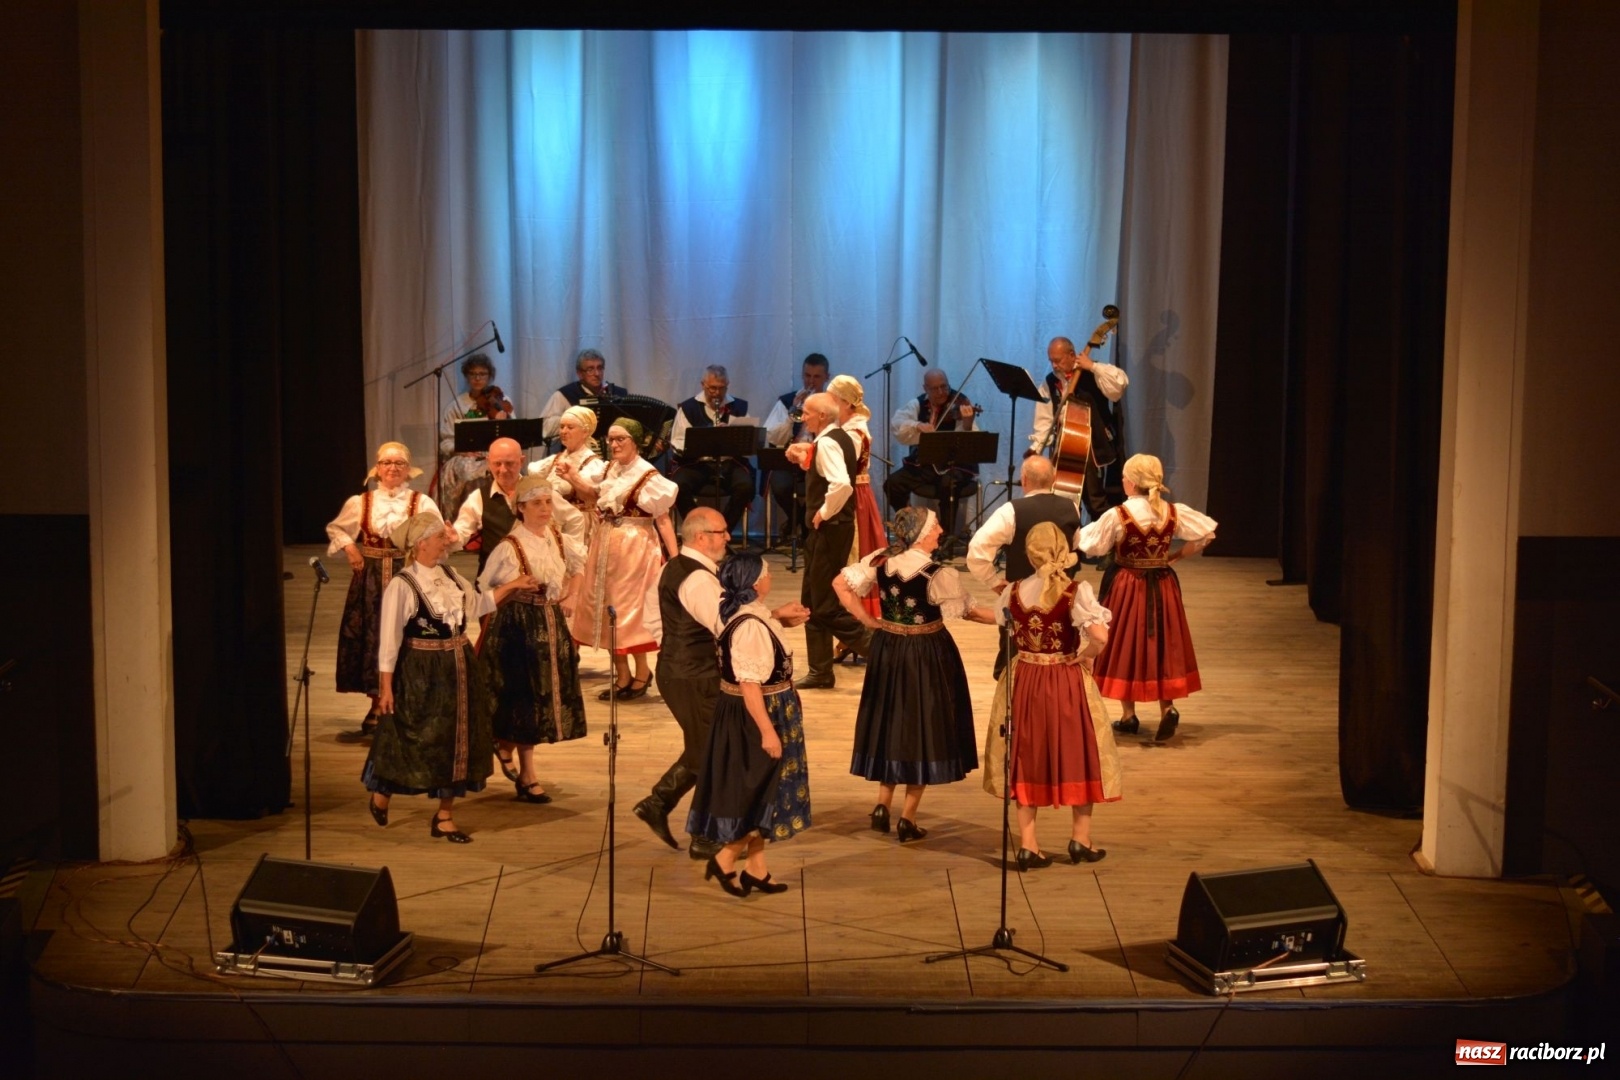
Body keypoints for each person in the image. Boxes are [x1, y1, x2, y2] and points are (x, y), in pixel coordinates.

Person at [635, 508, 810, 861]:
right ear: (701, 538)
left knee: (708, 747)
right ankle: (705, 837)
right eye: (722, 532)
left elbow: (656, 619)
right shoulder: (696, 578)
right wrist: (774, 615)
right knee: (716, 753)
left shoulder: (682, 568)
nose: (728, 538)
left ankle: (659, 803)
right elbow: (726, 623)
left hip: (688, 670)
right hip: (692, 676)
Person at [366, 512, 532, 843]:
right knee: (414, 734)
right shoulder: (403, 584)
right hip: (421, 670)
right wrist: (385, 688)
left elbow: (478, 606)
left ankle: (444, 815)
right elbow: (388, 641)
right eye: (440, 537)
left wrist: (512, 586)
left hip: (459, 665)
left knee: (457, 738)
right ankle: (382, 792)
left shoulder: (451, 574)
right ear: (421, 543)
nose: (447, 541)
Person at [834, 507, 997, 841]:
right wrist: (1011, 613)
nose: (940, 530)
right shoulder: (937, 573)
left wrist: (868, 621)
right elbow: (970, 613)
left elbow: (840, 584)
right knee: (923, 727)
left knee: (891, 721)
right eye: (936, 525)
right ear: (922, 533)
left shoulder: (881, 559)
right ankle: (907, 818)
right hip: (926, 654)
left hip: (888, 648)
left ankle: (882, 804)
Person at [686, 554, 810, 898]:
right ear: (756, 583)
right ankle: (725, 860)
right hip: (759, 713)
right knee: (762, 789)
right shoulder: (750, 625)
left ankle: (757, 869)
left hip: (755, 709)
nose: (770, 578)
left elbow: (759, 633)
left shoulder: (746, 615)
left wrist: (780, 616)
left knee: (765, 788)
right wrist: (768, 731)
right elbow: (750, 683)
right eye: (767, 573)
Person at [999, 522, 1119, 871]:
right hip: (1064, 679)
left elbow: (1001, 622)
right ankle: (1080, 839)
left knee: (1028, 753)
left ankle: (1028, 845)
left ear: (1029, 553)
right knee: (1076, 751)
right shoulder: (1076, 591)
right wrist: (1086, 655)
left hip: (1027, 679)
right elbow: (1100, 636)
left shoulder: (1014, 590)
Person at [1077, 453, 1217, 742]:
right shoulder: (1172, 511)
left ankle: (1129, 716)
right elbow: (1207, 534)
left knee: (1125, 643)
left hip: (1128, 584)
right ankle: (1168, 709)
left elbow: (1091, 546)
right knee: (1162, 643)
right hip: (1163, 585)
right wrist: (1175, 555)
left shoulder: (1119, 515)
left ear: (1130, 482)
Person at [477, 475, 588, 803]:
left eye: (548, 502)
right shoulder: (509, 547)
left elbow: (579, 567)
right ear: (520, 508)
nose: (544, 508)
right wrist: (512, 587)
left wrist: (571, 595)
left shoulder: (556, 535)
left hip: (550, 623)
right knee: (524, 698)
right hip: (517, 628)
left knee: (542, 698)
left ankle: (509, 748)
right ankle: (527, 773)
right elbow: (485, 593)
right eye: (536, 503)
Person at [325, 441, 443, 736]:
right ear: (377, 469)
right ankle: (377, 702)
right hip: (372, 579)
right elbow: (337, 528)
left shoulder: (421, 502)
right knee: (374, 637)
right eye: (387, 463)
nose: (392, 468)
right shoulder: (361, 502)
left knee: (409, 636)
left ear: (408, 471)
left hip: (409, 576)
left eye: (399, 464)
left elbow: (439, 535)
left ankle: (407, 702)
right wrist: (351, 548)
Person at [568, 418, 679, 701]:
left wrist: (677, 561)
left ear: (635, 442)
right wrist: (571, 478)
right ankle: (623, 675)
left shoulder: (648, 476)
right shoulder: (609, 469)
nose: (614, 445)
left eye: (621, 440)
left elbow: (663, 520)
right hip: (605, 543)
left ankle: (641, 673)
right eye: (611, 439)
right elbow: (594, 497)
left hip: (635, 547)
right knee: (605, 609)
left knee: (630, 611)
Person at [966, 455, 1082, 675]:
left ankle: (1016, 704)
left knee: (1014, 661)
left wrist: (993, 581)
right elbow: (1076, 545)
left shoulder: (1011, 511)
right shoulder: (1072, 508)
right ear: (1054, 479)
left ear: (1024, 480)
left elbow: (977, 549)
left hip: (1022, 600)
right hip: (1061, 599)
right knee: (1059, 655)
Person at [795, 393, 871, 689]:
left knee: (825, 605)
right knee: (811, 602)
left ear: (822, 416)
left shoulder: (827, 442)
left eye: (807, 413)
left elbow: (841, 484)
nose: (803, 417)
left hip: (830, 529)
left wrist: (822, 513)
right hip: (830, 530)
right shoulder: (834, 438)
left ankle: (882, 651)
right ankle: (820, 671)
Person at [1028, 335, 1129, 523]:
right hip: (1065, 449)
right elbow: (1044, 419)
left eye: (1057, 360)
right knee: (1065, 502)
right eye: (1051, 361)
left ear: (1071, 355)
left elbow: (1119, 386)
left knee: (1096, 500)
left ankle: (1106, 545)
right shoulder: (1050, 381)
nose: (1054, 366)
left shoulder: (1093, 371)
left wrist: (1092, 366)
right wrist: (1036, 448)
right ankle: (1073, 546)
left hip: (1093, 449)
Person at [451, 436, 582, 574]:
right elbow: (461, 531)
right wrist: (453, 537)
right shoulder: (478, 497)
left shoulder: (541, 491)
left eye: (509, 463)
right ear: (488, 462)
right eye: (497, 464)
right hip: (494, 584)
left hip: (537, 584)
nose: (503, 470)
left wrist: (569, 552)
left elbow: (575, 518)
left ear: (521, 461)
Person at [885, 368, 980, 556]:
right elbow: (897, 424)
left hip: (955, 465)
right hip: (926, 465)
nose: (941, 393)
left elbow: (971, 443)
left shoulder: (961, 402)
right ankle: (909, 527)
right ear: (925, 388)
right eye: (934, 389)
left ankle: (944, 540)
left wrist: (967, 424)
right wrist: (917, 425)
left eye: (944, 387)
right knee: (892, 484)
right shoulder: (918, 404)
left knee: (948, 484)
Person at [669, 364, 755, 531]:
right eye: (712, 388)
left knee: (745, 486)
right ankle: (698, 530)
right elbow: (677, 440)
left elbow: (749, 440)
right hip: (697, 463)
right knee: (678, 486)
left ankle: (722, 532)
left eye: (721, 388)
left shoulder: (739, 407)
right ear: (703, 384)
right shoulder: (688, 408)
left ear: (727, 385)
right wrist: (701, 440)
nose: (716, 393)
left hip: (729, 463)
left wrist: (732, 435)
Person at [762, 353, 830, 538]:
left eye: (816, 377)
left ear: (827, 377)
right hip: (790, 458)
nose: (811, 381)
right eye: (807, 376)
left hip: (819, 460)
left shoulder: (833, 404)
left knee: (819, 486)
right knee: (780, 485)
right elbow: (772, 436)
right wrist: (792, 413)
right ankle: (799, 522)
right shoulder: (787, 401)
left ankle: (801, 526)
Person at [438, 353, 511, 521]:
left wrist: (503, 424)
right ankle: (469, 519)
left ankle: (499, 518)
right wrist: (461, 450)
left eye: (482, 374)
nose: (478, 378)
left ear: (489, 376)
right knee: (470, 471)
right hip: (466, 455)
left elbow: (514, 434)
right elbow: (446, 442)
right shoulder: (456, 405)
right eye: (473, 374)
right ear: (467, 376)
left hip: (495, 453)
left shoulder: (501, 400)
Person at [526, 404, 607, 547]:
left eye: (570, 427)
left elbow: (594, 495)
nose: (563, 431)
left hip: (580, 526)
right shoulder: (556, 459)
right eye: (562, 426)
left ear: (585, 432)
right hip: (554, 523)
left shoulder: (592, 463)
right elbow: (533, 472)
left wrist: (574, 479)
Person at [538, 348, 628, 445]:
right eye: (590, 369)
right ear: (580, 374)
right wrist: (572, 419)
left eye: (600, 368)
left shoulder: (619, 393)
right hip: (577, 455)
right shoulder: (565, 395)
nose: (597, 374)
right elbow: (545, 428)